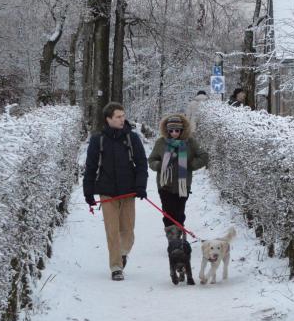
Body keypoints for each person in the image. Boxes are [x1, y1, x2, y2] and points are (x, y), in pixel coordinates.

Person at [83, 102, 148, 281]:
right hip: (107, 191)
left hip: (128, 191)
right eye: (118, 116)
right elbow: (90, 167)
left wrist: (141, 186)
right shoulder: (98, 140)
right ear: (108, 119)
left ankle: (122, 253)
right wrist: (88, 192)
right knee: (112, 231)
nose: (122, 119)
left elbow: (142, 164)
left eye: (123, 116)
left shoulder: (132, 138)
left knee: (128, 232)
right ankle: (116, 267)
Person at [148, 113, 208, 234]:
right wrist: (159, 166)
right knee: (168, 214)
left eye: (177, 130)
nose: (174, 133)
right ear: (167, 130)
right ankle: (172, 241)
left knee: (179, 213)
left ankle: (179, 238)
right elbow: (151, 160)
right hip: (164, 185)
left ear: (182, 130)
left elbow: (204, 156)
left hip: (183, 185)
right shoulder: (161, 142)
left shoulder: (190, 142)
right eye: (171, 131)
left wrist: (190, 165)